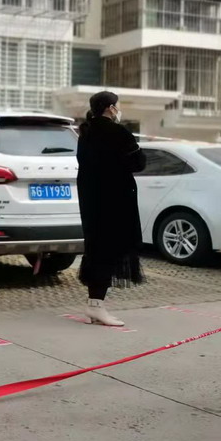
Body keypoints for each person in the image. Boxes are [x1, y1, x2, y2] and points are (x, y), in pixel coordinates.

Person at [77, 91, 146, 326]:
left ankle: (94, 303)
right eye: (116, 104)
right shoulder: (118, 132)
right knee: (110, 250)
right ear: (110, 107)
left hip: (91, 201)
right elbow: (139, 163)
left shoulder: (85, 133)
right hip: (115, 201)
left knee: (96, 249)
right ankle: (96, 305)